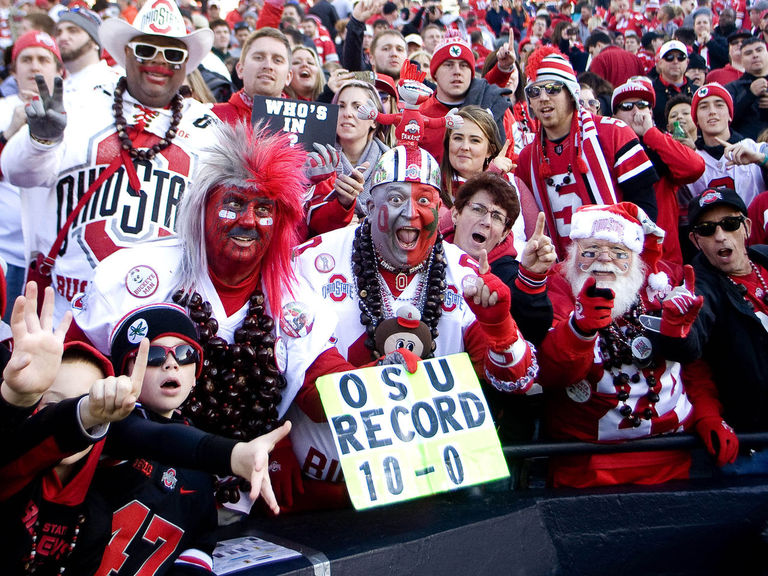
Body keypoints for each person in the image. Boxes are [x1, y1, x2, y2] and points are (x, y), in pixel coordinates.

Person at [75, 121, 337, 510]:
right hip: (131, 486)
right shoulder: (137, 273)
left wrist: (390, 381)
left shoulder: (297, 297)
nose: (248, 221)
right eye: (234, 204)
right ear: (203, 207)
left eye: (264, 209)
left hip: (237, 497)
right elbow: (79, 360)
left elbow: (323, 385)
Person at [287, 142, 539, 508]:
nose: (410, 213)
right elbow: (308, 386)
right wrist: (379, 379)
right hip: (327, 486)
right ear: (370, 207)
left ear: (441, 211)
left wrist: (498, 325)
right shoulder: (311, 261)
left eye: (424, 201)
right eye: (394, 198)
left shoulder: (464, 272)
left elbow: (517, 379)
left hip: (426, 488)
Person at [0, 0, 216, 325]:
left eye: (173, 55)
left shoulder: (210, 132)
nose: (158, 62)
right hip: (65, 310)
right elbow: (18, 172)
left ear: (185, 66)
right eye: (146, 50)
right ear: (125, 53)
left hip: (159, 316)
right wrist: (39, 141)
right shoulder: (78, 105)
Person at [537, 202, 714, 488]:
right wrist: (579, 329)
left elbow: (695, 365)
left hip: (671, 457)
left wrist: (709, 414)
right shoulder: (559, 284)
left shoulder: (661, 284)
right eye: (591, 250)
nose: (604, 260)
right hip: (585, 466)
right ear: (573, 253)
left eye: (618, 253)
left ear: (636, 257)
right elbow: (550, 373)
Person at [516, 47, 658, 259]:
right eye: (534, 92)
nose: (543, 98)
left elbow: (645, 206)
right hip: (561, 271)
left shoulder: (613, 132)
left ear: (571, 93)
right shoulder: (527, 157)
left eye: (553, 88)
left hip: (616, 262)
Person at [685, 187, 768, 472]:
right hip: (751, 445)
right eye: (707, 230)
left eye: (730, 224)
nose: (720, 236)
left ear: (746, 226)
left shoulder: (764, 261)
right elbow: (693, 363)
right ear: (695, 240)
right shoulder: (698, 289)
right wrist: (708, 416)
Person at [0, 31, 63, 321]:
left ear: (59, 70)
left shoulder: (78, 112)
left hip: (52, 260)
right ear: (13, 69)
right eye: (26, 59)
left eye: (43, 59)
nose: (35, 66)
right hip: (5, 255)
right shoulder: (2, 109)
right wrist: (9, 132)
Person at [611, 76, 705, 267]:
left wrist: (650, 133)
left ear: (651, 112)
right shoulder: (606, 148)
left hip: (666, 262)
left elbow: (694, 168)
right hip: (620, 257)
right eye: (627, 107)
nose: (636, 111)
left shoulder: (661, 143)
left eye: (643, 104)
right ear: (614, 117)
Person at [439, 105, 537, 257]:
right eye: (458, 138)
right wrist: (489, 176)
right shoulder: (434, 187)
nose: (465, 147)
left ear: (489, 151)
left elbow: (536, 237)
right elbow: (441, 229)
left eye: (475, 140)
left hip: (512, 274)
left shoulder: (514, 183)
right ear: (448, 143)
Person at [418, 33, 517, 163]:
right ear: (435, 73)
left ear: (471, 72)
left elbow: (509, 160)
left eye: (464, 65)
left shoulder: (494, 106)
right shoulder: (420, 115)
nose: (457, 71)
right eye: (448, 65)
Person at [687, 82, 765, 208]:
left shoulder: (755, 148)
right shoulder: (691, 161)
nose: (712, 112)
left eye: (719, 105)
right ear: (696, 119)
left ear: (730, 114)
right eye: (703, 107)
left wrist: (761, 159)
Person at [214, 27, 293, 124]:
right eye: (259, 58)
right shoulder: (212, 117)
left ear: (288, 77)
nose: (268, 66)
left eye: (277, 60)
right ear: (240, 69)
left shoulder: (307, 128)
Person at [54, 7, 121, 101]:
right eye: (58, 33)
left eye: (73, 31)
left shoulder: (117, 83)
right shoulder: (58, 90)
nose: (63, 37)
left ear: (94, 40)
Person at [725, 36, 768, 141]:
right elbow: (726, 120)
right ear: (741, 60)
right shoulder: (732, 88)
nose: (755, 55)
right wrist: (749, 95)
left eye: (759, 50)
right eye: (748, 53)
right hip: (746, 148)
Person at [651, 40, 697, 129]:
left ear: (687, 62)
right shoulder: (650, 91)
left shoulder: (697, 91)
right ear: (660, 63)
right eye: (669, 57)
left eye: (681, 57)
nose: (675, 61)